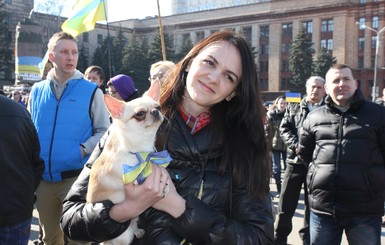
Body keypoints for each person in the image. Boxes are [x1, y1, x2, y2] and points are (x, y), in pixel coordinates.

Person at [61, 30, 274, 244]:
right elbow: (71, 218)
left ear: (233, 92)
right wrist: (123, 211)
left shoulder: (246, 146)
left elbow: (258, 237)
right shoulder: (128, 126)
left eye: (229, 76)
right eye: (209, 62)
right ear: (189, 63)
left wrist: (178, 206)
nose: (213, 78)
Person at [28, 31, 110, 245]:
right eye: (64, 52)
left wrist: (82, 149)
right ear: (52, 57)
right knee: (50, 239)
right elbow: (30, 131)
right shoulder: (36, 91)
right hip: (43, 181)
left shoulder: (92, 91)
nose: (71, 57)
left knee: (76, 239)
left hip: (76, 178)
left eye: (74, 52)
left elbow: (105, 131)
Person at [297, 64, 385, 245]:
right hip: (324, 209)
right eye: (335, 80)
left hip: (364, 211)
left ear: (355, 83)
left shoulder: (378, 114)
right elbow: (306, 155)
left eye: (346, 79)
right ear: (327, 88)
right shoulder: (314, 118)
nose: (341, 84)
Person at [274, 76, 325, 245]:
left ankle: (307, 241)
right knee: (285, 206)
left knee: (312, 208)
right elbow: (285, 128)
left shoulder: (328, 109)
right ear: (306, 88)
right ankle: (279, 239)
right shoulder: (294, 107)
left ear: (324, 90)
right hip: (294, 162)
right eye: (312, 87)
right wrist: (297, 146)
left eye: (319, 87)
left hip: (317, 166)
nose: (315, 90)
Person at [0, 95, 44, 244]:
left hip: (16, 210)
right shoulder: (19, 111)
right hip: (18, 208)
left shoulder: (20, 111)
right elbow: (36, 163)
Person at [265, 96, 287, 198]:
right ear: (276, 104)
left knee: (288, 169)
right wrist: (268, 148)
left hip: (287, 146)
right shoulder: (271, 115)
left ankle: (286, 190)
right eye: (281, 103)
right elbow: (267, 133)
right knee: (277, 168)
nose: (282, 105)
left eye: (284, 103)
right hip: (274, 146)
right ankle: (279, 189)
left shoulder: (289, 115)